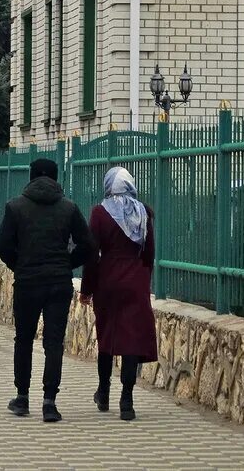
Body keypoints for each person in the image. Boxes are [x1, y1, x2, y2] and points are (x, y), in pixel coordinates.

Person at [0, 158, 94, 423]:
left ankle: (22, 398)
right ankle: (50, 403)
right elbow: (88, 245)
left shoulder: (15, 207)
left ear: (31, 177)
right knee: (53, 342)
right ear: (55, 177)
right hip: (58, 284)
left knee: (23, 339)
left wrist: (20, 265)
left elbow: (3, 244)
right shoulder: (69, 208)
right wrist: (66, 263)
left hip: (27, 282)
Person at [80, 167, 157, 422]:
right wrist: (143, 280)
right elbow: (149, 253)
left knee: (108, 336)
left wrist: (87, 289)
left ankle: (103, 392)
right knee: (132, 339)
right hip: (135, 283)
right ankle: (127, 400)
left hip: (108, 282)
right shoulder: (143, 213)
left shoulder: (100, 213)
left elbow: (92, 254)